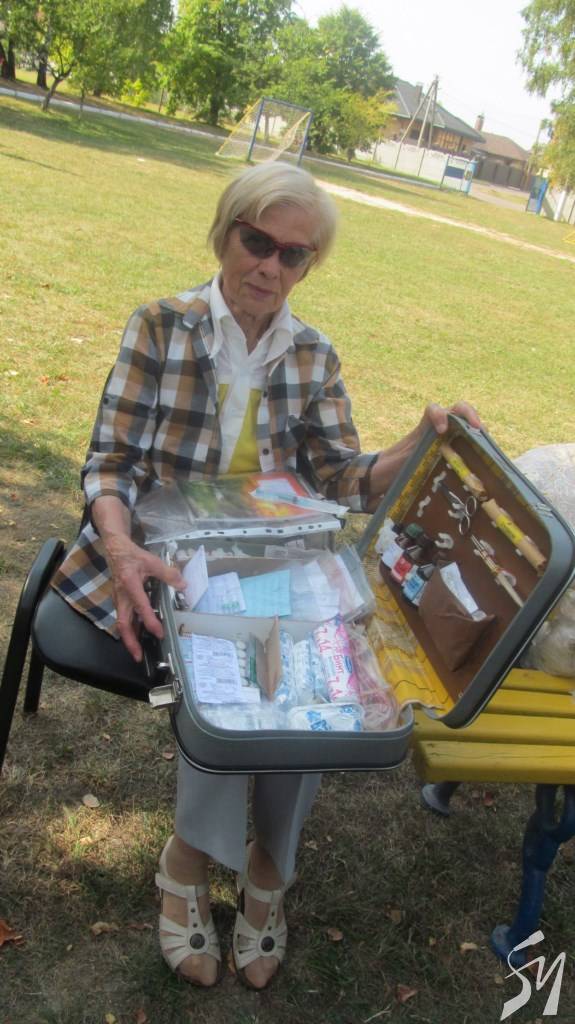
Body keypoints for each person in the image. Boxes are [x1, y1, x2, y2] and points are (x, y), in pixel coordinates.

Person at [53, 161, 480, 990]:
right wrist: (120, 546)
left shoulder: (312, 355)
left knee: (322, 675)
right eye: (257, 242)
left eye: (293, 255)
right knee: (222, 669)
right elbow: (110, 464)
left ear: (307, 266)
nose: (269, 268)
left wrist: (419, 442)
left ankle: (267, 869)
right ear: (226, 233)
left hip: (274, 563)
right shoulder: (162, 327)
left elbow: (343, 480)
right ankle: (190, 859)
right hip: (161, 560)